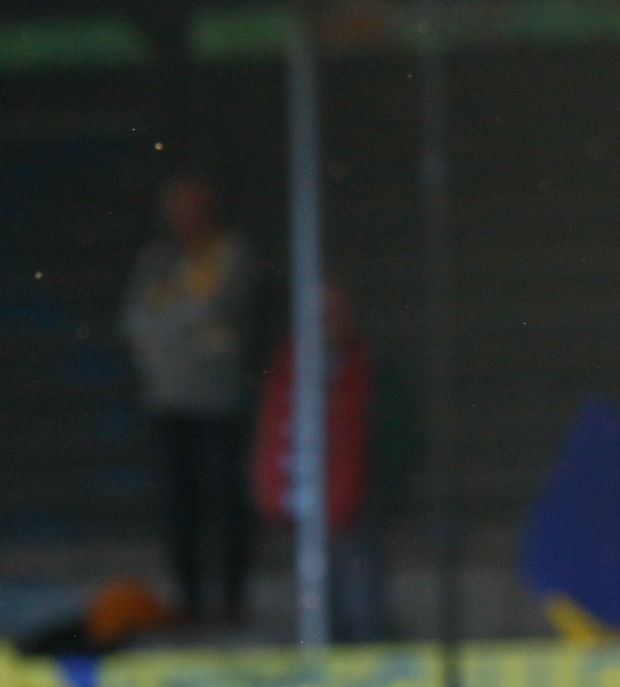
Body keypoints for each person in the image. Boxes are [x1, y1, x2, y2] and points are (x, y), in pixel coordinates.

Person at [119, 174, 255, 625]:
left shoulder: (229, 254)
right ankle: (190, 601)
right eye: (178, 211)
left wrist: (167, 331)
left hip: (219, 403)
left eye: (193, 210)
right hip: (168, 402)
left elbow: (218, 306)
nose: (185, 220)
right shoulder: (156, 259)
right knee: (179, 507)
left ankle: (231, 601)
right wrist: (185, 330)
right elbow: (134, 321)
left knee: (226, 503)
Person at [251, 280, 415, 643]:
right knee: (315, 616)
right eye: (316, 315)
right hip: (300, 511)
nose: (323, 324)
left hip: (357, 512)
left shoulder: (369, 368)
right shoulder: (283, 369)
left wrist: (376, 491)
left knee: (362, 611)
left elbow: (396, 438)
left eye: (331, 314)